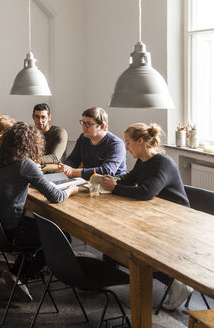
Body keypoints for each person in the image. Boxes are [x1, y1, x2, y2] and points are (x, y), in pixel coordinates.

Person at [101, 122, 191, 310]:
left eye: (128, 143)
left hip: (176, 218)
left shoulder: (162, 163)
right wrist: (111, 181)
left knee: (134, 245)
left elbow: (145, 192)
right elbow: (131, 178)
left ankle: (177, 283)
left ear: (140, 141)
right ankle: (108, 273)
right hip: (155, 212)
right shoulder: (143, 160)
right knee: (115, 233)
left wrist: (115, 188)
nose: (125, 147)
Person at [0, 122, 78, 300]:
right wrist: (70, 190)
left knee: (41, 230)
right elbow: (56, 197)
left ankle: (16, 272)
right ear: (32, 144)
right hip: (11, 230)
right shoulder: (25, 164)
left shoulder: (0, 161)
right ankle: (20, 275)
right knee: (62, 236)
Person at [58, 107, 127, 180]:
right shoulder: (83, 138)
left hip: (114, 185)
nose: (84, 127)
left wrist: (73, 172)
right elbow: (73, 159)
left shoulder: (116, 144)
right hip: (90, 182)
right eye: (83, 123)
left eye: (88, 124)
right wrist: (65, 169)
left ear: (102, 126)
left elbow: (106, 171)